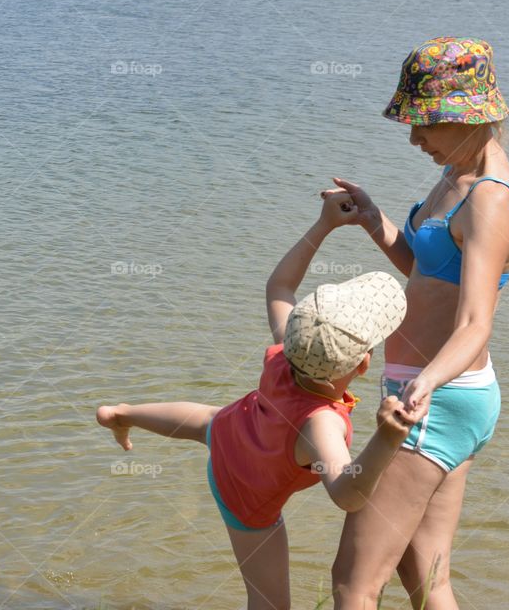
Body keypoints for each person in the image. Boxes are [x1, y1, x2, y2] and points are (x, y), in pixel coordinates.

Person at [97, 193, 416, 610]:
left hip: (236, 427)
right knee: (269, 603)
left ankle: (121, 413)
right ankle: (124, 415)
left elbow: (279, 285)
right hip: (245, 492)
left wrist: (323, 225)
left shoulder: (289, 350)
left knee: (208, 423)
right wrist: (388, 437)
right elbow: (347, 494)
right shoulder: (321, 423)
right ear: (363, 363)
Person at [323, 37, 509, 610]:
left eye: (424, 123)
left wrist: (425, 384)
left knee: (353, 582)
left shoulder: (490, 199)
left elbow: (474, 322)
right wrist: (374, 220)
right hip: (440, 391)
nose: (414, 138)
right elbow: (427, 269)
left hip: (437, 396)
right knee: (426, 574)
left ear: (469, 115)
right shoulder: (457, 175)